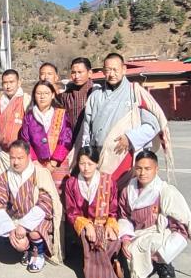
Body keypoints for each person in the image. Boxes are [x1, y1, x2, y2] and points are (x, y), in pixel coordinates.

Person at [79, 53, 172, 187]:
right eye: (108, 70)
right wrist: (86, 154)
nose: (111, 74)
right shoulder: (95, 96)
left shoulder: (135, 93)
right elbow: (87, 129)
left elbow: (152, 126)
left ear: (124, 69)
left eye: (115, 69)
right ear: (104, 71)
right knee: (104, 200)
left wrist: (130, 137)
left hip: (126, 158)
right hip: (100, 158)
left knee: (126, 198)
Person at [117, 151, 191, 278]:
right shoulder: (128, 191)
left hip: (159, 235)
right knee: (129, 257)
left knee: (159, 256)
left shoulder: (166, 192)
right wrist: (125, 239)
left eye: (147, 169)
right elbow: (124, 217)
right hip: (136, 235)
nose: (142, 173)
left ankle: (164, 268)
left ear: (156, 169)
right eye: (139, 168)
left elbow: (180, 228)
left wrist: (163, 254)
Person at [0, 140, 63, 273]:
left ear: (28, 157)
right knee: (17, 240)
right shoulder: (5, 177)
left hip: (41, 218)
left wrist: (24, 226)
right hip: (16, 219)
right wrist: (11, 229)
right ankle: (27, 248)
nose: (16, 162)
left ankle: (37, 253)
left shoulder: (40, 173)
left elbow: (45, 203)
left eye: (20, 158)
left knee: (35, 233)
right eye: (12, 158)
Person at [62, 147, 121, 278]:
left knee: (114, 241)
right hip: (83, 224)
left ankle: (98, 269)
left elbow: (113, 209)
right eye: (82, 164)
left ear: (97, 163)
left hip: (103, 223)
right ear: (77, 164)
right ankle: (108, 272)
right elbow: (71, 211)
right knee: (90, 239)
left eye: (90, 164)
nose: (86, 168)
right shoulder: (72, 183)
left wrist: (110, 226)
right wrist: (87, 226)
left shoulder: (108, 182)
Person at [19, 81, 74, 189]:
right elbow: (25, 140)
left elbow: (66, 138)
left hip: (58, 164)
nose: (42, 97)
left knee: (60, 196)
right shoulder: (29, 117)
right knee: (40, 195)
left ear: (53, 95)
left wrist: (54, 162)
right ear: (34, 95)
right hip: (37, 164)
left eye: (46, 93)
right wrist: (35, 161)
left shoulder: (61, 114)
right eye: (39, 93)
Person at [0, 69, 30, 175]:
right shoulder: (0, 103)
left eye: (11, 82)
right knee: (5, 185)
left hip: (21, 153)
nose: (8, 86)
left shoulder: (25, 101)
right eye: (5, 83)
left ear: (19, 82)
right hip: (4, 153)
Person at [58, 57, 94, 147]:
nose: (76, 76)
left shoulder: (96, 93)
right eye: (74, 73)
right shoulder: (66, 95)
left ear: (89, 73)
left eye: (80, 72)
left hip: (90, 142)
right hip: (69, 142)